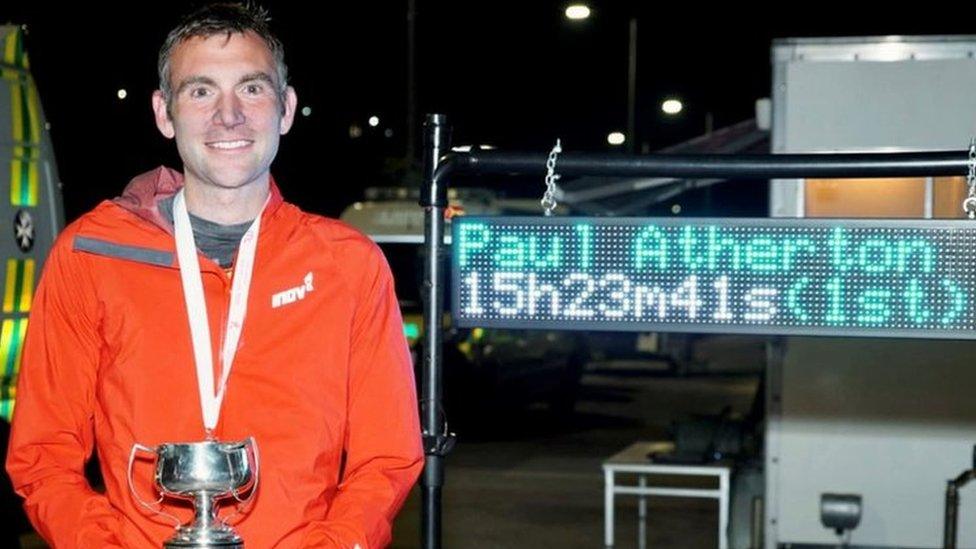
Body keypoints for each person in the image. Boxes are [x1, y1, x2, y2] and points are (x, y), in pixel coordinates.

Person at [5, 3, 423, 548]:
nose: (229, 116)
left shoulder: (347, 263)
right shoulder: (92, 253)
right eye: (201, 91)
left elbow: (386, 458)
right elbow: (42, 455)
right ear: (164, 112)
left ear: (286, 108)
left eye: (252, 89)